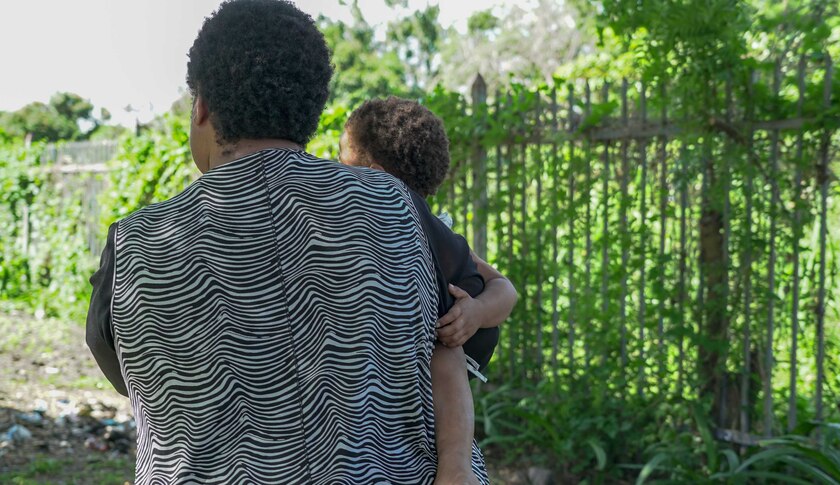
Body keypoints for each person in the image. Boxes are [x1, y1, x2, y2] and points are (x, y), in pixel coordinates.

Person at [85, 1, 485, 483]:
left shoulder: (136, 242)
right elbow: (469, 334)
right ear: (310, 111)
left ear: (203, 107)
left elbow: (121, 366)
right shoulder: (397, 206)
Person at [338, 97, 518, 372]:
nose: (335, 169)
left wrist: (477, 312)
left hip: (428, 390)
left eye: (342, 159)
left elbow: (504, 289)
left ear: (376, 179)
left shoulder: (434, 239)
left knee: (447, 356)